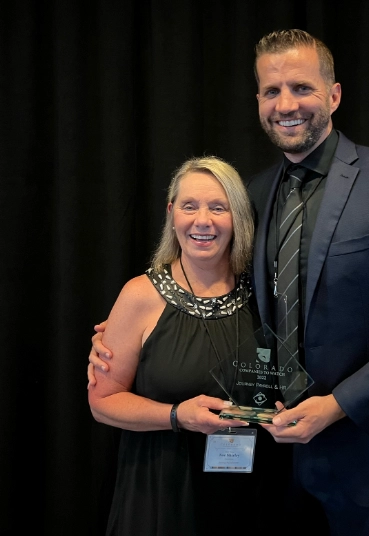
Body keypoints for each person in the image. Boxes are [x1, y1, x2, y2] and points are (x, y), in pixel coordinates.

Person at [89, 30, 369, 535]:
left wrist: (337, 406)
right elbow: (228, 298)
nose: (285, 104)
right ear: (258, 101)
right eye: (271, 91)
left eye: (301, 87)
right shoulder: (255, 193)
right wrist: (127, 332)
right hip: (272, 469)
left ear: (334, 95)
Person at [87, 156, 297, 536]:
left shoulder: (266, 297)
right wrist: (176, 415)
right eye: (190, 206)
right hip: (162, 495)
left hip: (249, 497)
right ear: (171, 213)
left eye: (219, 208)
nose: (203, 221)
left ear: (238, 218)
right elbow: (102, 403)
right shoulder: (140, 296)